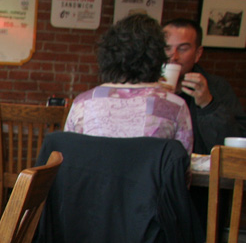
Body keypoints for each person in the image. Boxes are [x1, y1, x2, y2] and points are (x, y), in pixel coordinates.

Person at [65, 13, 193, 153]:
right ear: (158, 57)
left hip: (94, 175)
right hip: (148, 176)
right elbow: (182, 167)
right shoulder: (175, 106)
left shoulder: (82, 103)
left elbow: (68, 159)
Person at [163, 18, 246, 153]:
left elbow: (235, 146)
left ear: (198, 54)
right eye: (166, 48)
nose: (173, 56)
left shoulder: (217, 87)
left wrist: (208, 105)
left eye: (183, 49)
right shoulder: (144, 86)